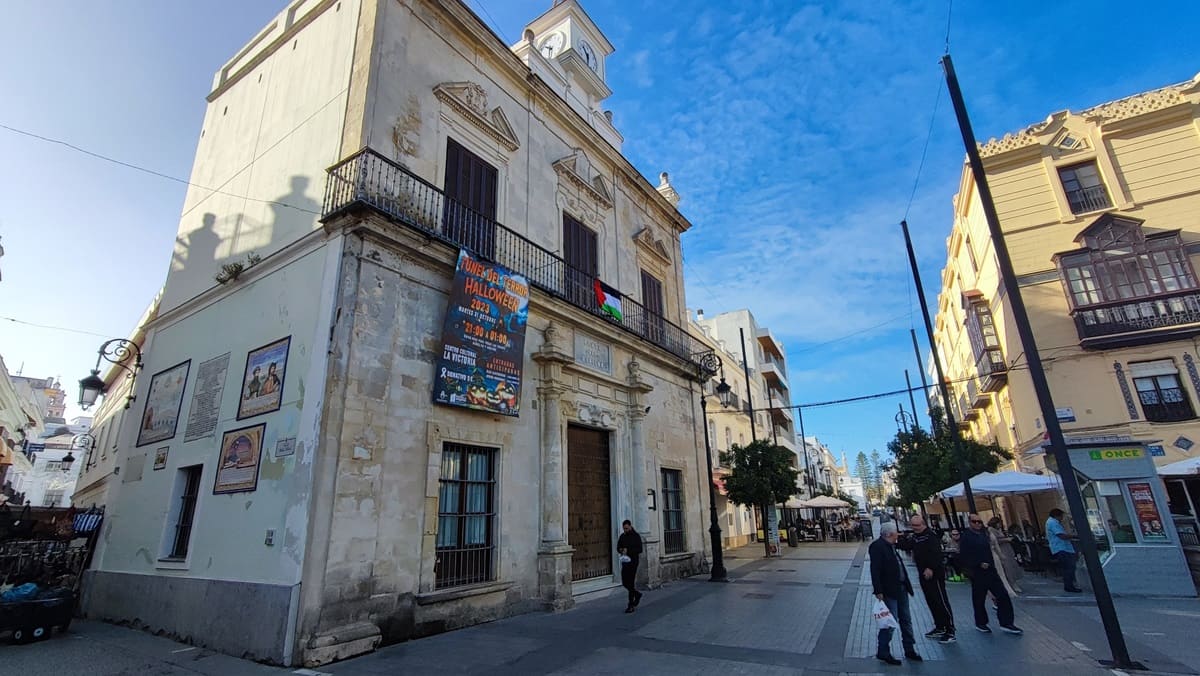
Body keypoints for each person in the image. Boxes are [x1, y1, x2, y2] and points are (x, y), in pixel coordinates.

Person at [958, 513, 1023, 635]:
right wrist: (978, 563)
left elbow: (990, 549)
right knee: (979, 599)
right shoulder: (966, 537)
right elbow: (964, 555)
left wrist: (992, 563)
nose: (977, 524)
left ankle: (1006, 622)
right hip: (977, 572)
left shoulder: (984, 534)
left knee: (1003, 595)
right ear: (969, 522)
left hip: (991, 570)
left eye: (979, 521)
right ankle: (981, 623)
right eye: (974, 522)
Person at [869, 522, 922, 666]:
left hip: (901, 588)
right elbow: (875, 569)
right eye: (895, 533)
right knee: (889, 622)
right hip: (889, 590)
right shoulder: (877, 547)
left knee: (906, 619)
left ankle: (909, 648)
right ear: (889, 534)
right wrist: (878, 590)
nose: (897, 535)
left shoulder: (892, 546)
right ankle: (883, 650)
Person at [898, 515, 956, 643]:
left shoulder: (930, 536)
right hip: (923, 574)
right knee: (931, 600)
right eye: (913, 526)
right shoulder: (916, 537)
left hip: (934, 574)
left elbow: (936, 554)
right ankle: (940, 626)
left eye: (917, 526)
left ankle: (950, 629)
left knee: (940, 600)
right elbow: (906, 546)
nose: (915, 528)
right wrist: (898, 537)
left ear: (923, 524)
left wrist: (931, 567)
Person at [1046, 509, 1082, 592]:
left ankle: (1069, 585)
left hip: (1062, 548)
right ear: (1057, 516)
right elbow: (1061, 535)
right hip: (1061, 548)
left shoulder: (1052, 522)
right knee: (1069, 567)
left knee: (1067, 567)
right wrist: (1073, 536)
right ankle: (1069, 585)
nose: (1062, 518)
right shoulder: (1053, 522)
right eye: (1061, 516)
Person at [987, 517, 1023, 595]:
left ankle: (1013, 582)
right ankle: (1011, 584)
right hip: (1002, 550)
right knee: (1007, 568)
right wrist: (1006, 539)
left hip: (1007, 550)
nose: (1000, 524)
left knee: (1012, 566)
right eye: (999, 523)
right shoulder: (991, 530)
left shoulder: (998, 530)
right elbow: (994, 541)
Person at [616, 520, 643, 613]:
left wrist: (629, 550)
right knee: (624, 582)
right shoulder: (622, 536)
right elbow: (618, 547)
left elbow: (640, 549)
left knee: (630, 583)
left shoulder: (636, 536)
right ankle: (637, 594)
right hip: (625, 562)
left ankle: (630, 605)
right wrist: (621, 550)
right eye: (624, 529)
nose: (625, 530)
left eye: (627, 528)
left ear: (630, 526)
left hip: (633, 563)